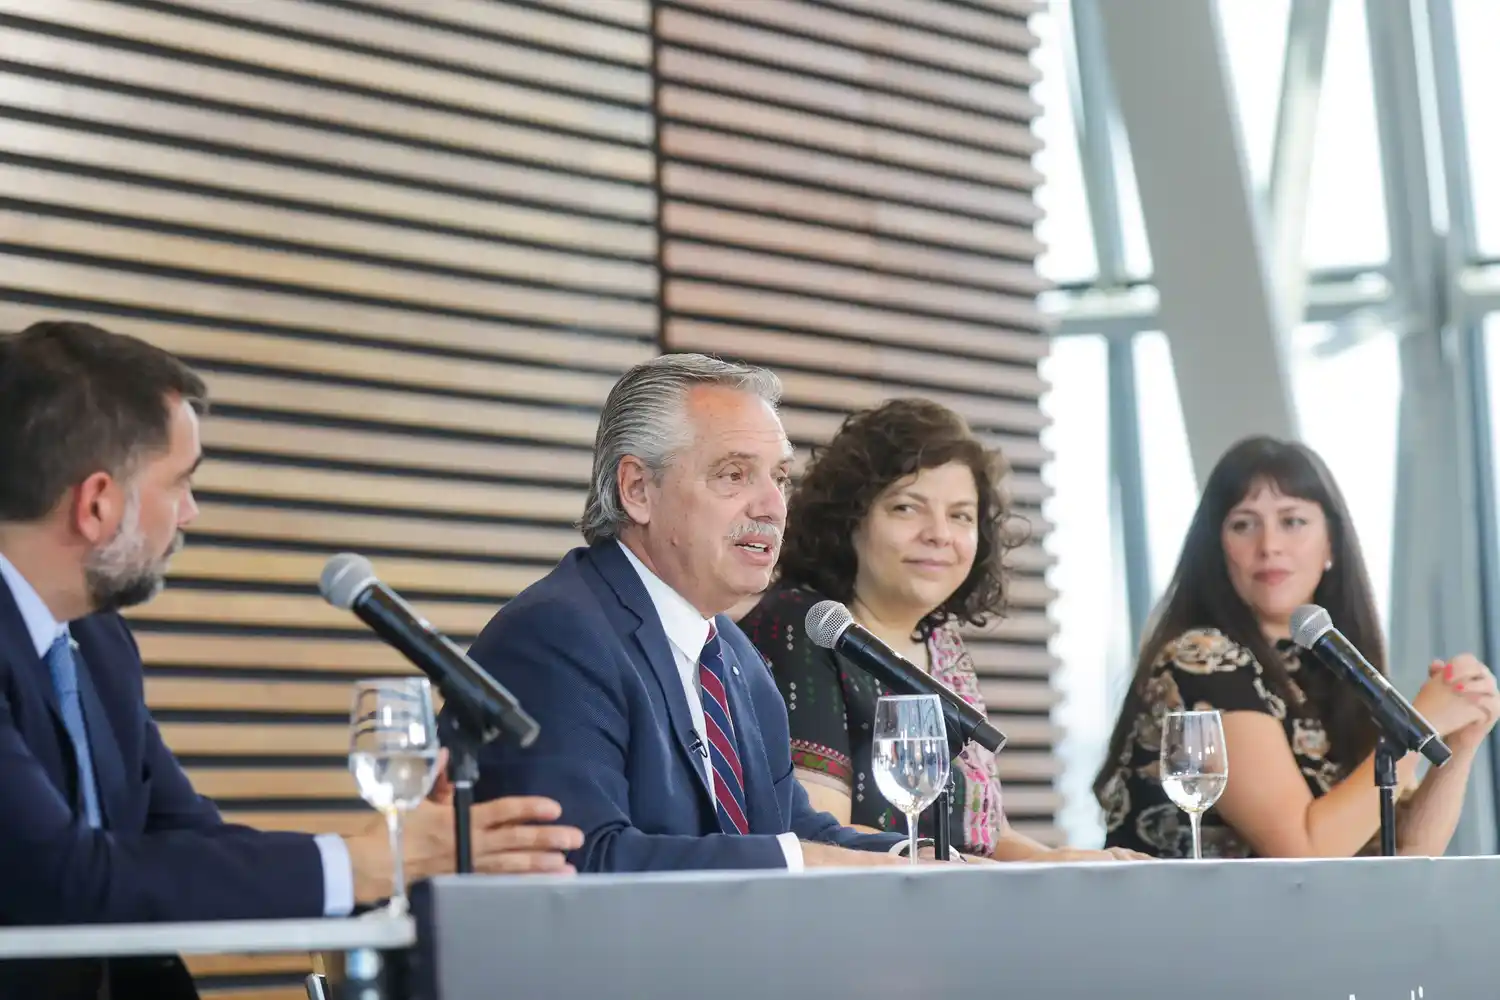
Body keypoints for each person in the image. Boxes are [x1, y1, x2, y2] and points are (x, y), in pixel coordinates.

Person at [0, 321, 583, 999]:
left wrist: (395, 861)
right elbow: (65, 880)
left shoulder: (97, 645)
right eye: (180, 482)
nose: (189, 512)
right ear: (97, 503)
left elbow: (189, 847)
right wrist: (364, 864)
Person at [467, 355, 961, 871]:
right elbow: (582, 858)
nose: (771, 506)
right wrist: (815, 862)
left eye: (780, 478)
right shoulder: (557, 637)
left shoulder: (733, 654)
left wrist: (921, 857)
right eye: (734, 475)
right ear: (637, 490)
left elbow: (793, 829)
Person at [739, 399, 1142, 862]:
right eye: (907, 508)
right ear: (849, 521)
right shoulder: (803, 628)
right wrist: (989, 873)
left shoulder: (940, 644)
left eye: (961, 516)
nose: (939, 534)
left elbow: (987, 837)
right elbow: (823, 837)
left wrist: (1066, 861)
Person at [1095, 435, 1500, 858]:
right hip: (1185, 923)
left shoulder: (1336, 667)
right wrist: (1422, 722)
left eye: (1292, 522)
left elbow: (1408, 853)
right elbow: (1304, 852)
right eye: (1243, 524)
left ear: (1331, 544)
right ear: (1217, 550)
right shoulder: (1201, 658)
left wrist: (1460, 742)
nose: (1269, 545)